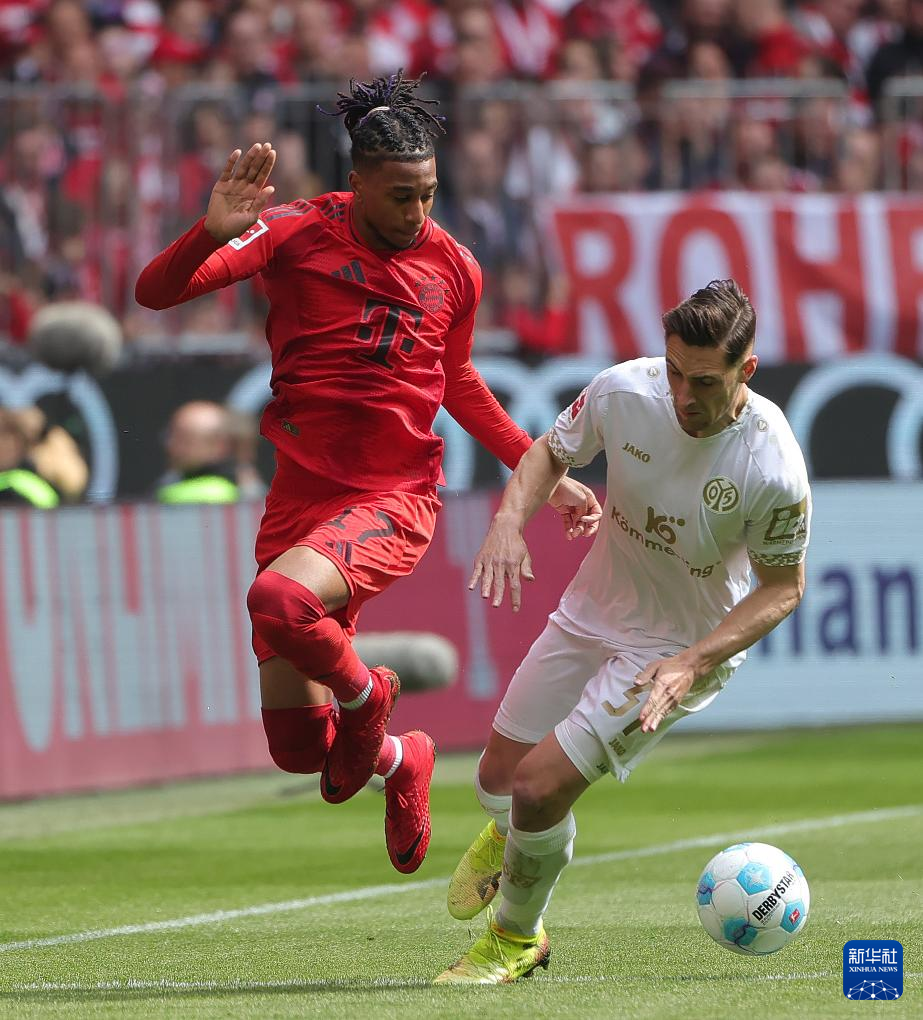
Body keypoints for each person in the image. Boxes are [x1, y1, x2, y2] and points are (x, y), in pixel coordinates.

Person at [135, 71, 600, 875]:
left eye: (427, 195)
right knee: (296, 749)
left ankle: (368, 696)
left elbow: (457, 380)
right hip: (299, 498)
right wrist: (208, 234)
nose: (416, 212)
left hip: (393, 496)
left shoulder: (455, 268)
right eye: (399, 196)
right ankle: (400, 757)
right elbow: (155, 293)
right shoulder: (291, 230)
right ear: (357, 181)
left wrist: (541, 467)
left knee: (277, 600)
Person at [435, 279, 811, 983]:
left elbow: (781, 588)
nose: (683, 395)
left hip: (673, 649)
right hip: (594, 608)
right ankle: (518, 841)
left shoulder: (771, 466)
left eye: (704, 381)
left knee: (537, 789)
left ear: (746, 371)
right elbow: (551, 451)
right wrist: (509, 521)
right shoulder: (623, 390)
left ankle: (516, 938)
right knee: (497, 778)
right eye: (674, 371)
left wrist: (692, 662)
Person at [156, 400, 241, 504]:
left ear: (219, 445)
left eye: (184, 440)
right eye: (171, 436)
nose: (171, 445)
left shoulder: (214, 495)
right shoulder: (170, 482)